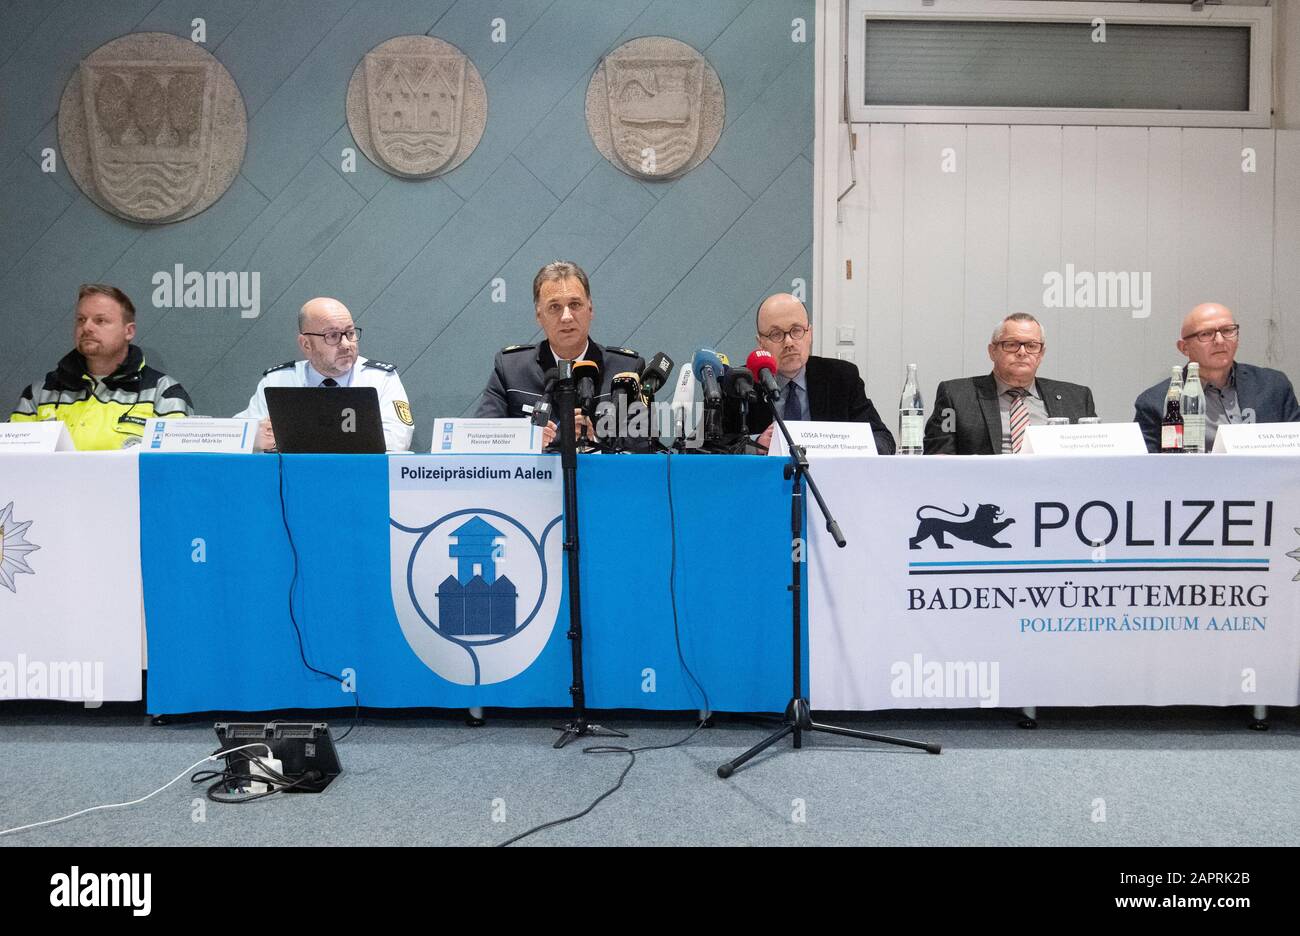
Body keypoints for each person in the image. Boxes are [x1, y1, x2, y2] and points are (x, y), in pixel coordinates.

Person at [474, 261, 642, 446]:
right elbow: (483, 441)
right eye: (554, 307)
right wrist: (531, 440)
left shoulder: (625, 372)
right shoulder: (511, 370)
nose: (567, 317)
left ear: (590, 309)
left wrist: (595, 439)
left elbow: (643, 447)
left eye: (575, 304)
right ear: (539, 316)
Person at [10, 283, 192, 449]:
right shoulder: (40, 393)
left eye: (100, 320)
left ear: (129, 331)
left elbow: (177, 470)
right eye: (81, 319)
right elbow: (11, 461)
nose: (87, 327)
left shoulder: (163, 393)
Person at [723, 293, 895, 454]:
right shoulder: (739, 383)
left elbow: (883, 440)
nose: (789, 342)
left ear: (809, 334)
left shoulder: (842, 378)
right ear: (761, 343)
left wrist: (843, 444)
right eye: (776, 334)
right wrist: (755, 444)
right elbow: (709, 447)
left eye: (796, 330)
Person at [237, 297, 413, 453]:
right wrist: (254, 438)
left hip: (358, 478)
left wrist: (306, 438)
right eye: (333, 336)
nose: (346, 344)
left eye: (350, 333)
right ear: (306, 344)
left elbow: (398, 439)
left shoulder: (379, 377)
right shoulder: (277, 381)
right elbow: (234, 435)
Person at [1133, 303, 1299, 452]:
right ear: (1184, 348)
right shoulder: (1156, 402)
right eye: (1206, 334)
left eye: (1228, 331)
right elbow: (1146, 469)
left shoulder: (1273, 386)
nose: (1220, 340)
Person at [924, 313, 1095, 454]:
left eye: (1031, 345)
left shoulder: (1077, 398)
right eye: (1011, 345)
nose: (1022, 352)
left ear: (1041, 354)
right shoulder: (956, 396)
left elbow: (1096, 458)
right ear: (992, 352)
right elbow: (939, 457)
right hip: (984, 490)